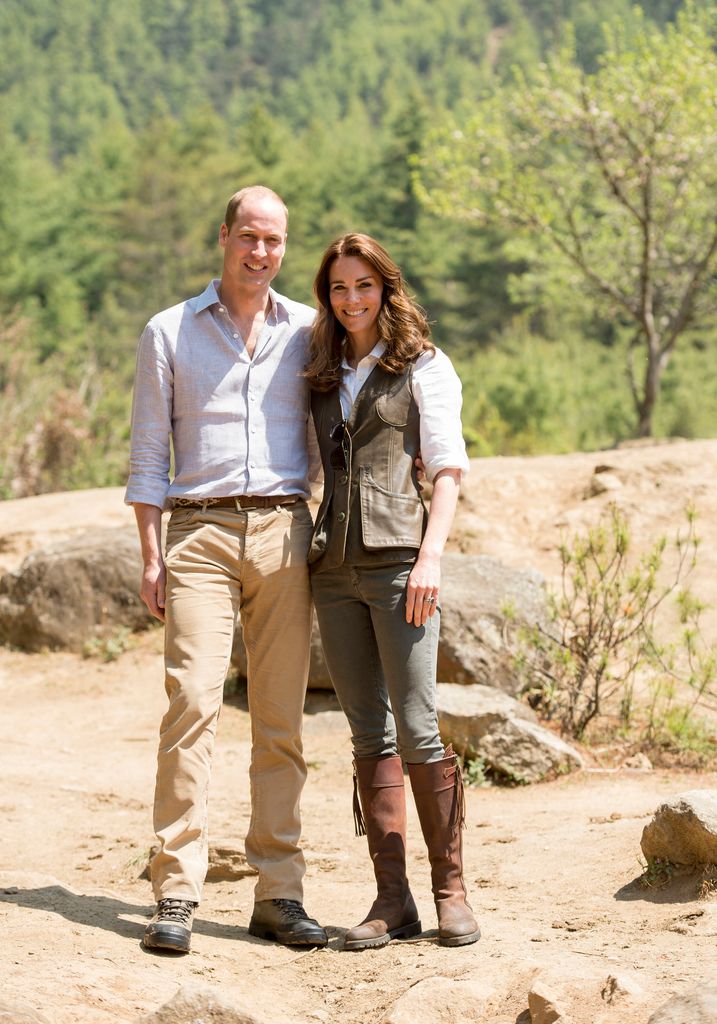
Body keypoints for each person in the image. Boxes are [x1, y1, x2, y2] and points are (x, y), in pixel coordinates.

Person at [125, 185, 327, 954]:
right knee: (191, 707)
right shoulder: (168, 331)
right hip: (199, 534)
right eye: (248, 237)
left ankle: (279, 892)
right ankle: (175, 891)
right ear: (224, 237)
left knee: (280, 719)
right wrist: (151, 552)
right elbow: (148, 453)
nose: (261, 253)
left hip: (283, 532)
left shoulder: (309, 332)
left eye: (274, 241)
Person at [304, 233, 480, 950]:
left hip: (400, 562)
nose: (350, 300)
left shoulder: (424, 368)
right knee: (366, 735)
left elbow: (445, 469)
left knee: (417, 727)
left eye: (362, 286)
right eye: (338, 288)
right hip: (332, 570)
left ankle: (450, 892)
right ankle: (392, 900)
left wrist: (430, 558)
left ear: (385, 288)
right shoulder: (319, 369)